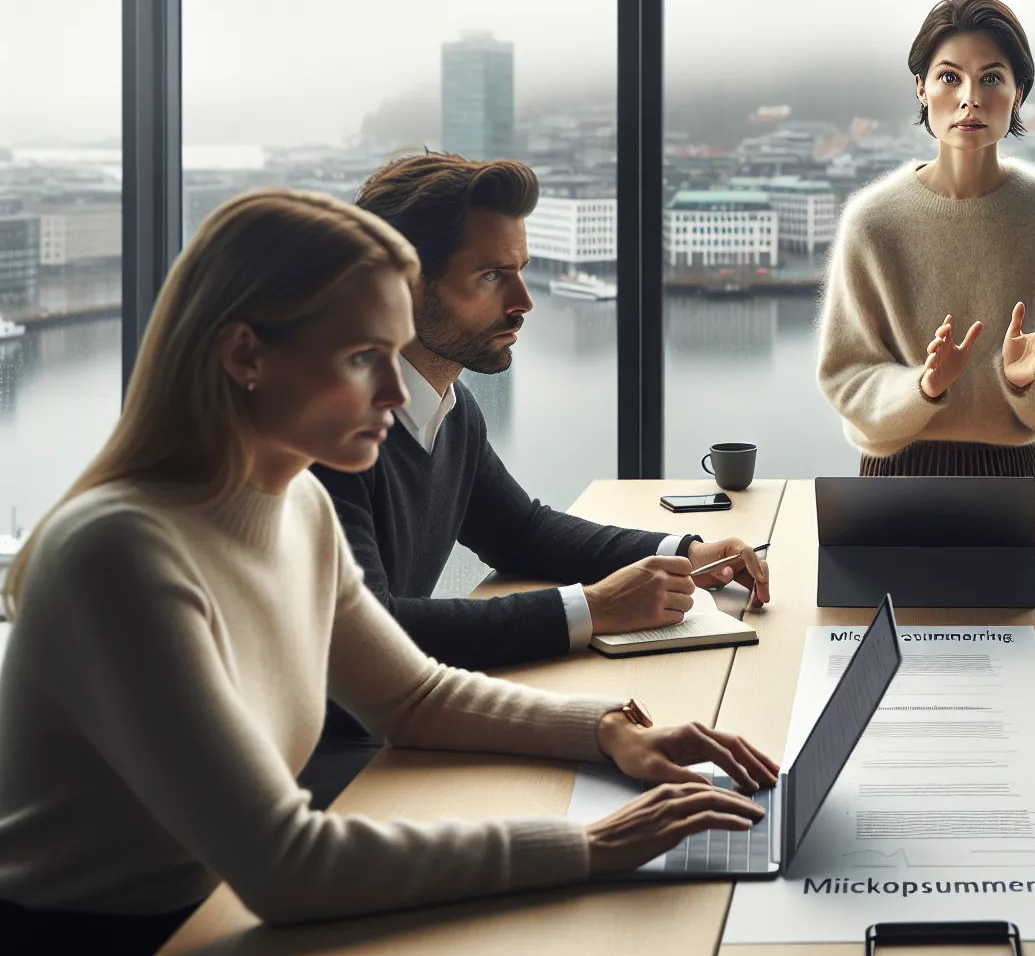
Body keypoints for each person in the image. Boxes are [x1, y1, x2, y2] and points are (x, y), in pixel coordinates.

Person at [0, 189, 775, 955]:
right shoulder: (121, 555)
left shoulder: (295, 501)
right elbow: (287, 867)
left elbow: (413, 695)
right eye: (365, 357)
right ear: (245, 356)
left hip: (222, 909)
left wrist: (608, 731)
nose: (400, 392)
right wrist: (590, 845)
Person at [299, 153, 770, 808]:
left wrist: (683, 554)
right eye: (491, 276)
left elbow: (519, 531)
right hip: (325, 765)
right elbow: (374, 636)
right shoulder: (326, 432)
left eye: (518, 272)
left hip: (394, 731)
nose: (522, 303)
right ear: (401, 287)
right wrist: (592, 609)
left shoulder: (449, 408)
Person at [817, 0, 1035, 510]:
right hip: (889, 476)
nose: (970, 96)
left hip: (1011, 478)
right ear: (922, 89)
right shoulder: (872, 222)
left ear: (1018, 94)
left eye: (991, 78)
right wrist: (922, 387)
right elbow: (844, 374)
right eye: (950, 77)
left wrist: (1025, 382)